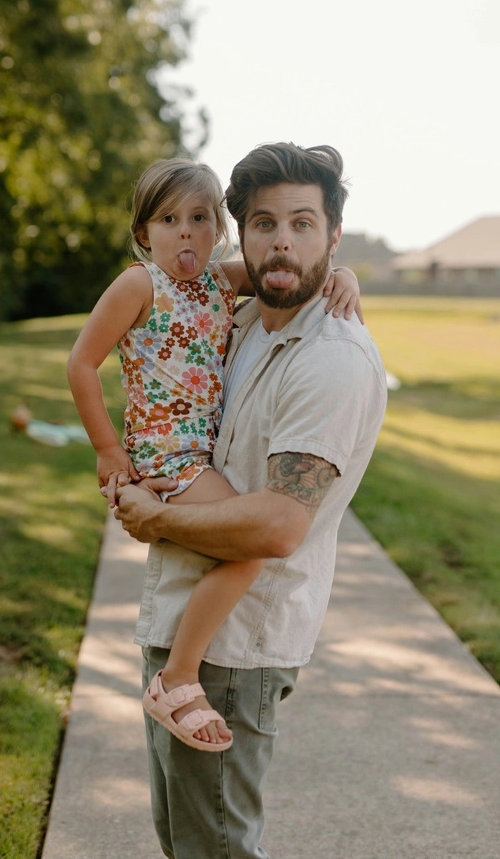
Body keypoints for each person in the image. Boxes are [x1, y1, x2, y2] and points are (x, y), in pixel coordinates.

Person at [114, 141, 387, 859]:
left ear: (332, 233)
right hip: (180, 618)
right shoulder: (244, 318)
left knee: (217, 851)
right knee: (186, 843)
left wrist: (155, 517)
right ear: (240, 232)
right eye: (264, 223)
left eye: (303, 223)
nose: (282, 240)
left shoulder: (328, 359)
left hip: (235, 652)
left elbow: (276, 524)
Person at [66, 157, 362, 752]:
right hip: (167, 458)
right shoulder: (139, 284)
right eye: (168, 219)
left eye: (199, 218)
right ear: (143, 233)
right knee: (252, 547)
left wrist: (348, 274)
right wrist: (106, 450)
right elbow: (80, 364)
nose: (185, 232)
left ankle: (175, 669)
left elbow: (291, 267)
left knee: (247, 543)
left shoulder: (219, 282)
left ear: (219, 230)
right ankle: (176, 676)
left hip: (196, 454)